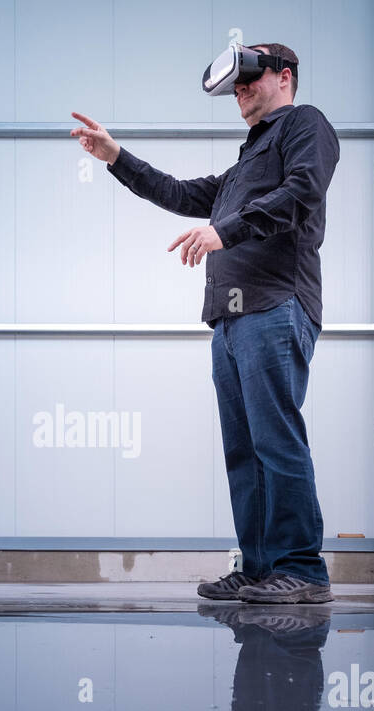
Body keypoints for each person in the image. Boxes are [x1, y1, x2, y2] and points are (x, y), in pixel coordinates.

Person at [70, 42, 339, 604]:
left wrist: (227, 230)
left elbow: (302, 193)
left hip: (276, 304)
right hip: (230, 319)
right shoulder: (247, 161)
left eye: (250, 81)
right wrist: (117, 156)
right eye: (235, 87)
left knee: (276, 440)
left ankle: (303, 570)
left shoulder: (305, 127)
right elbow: (180, 192)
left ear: (284, 77)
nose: (240, 92)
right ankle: (263, 567)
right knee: (243, 450)